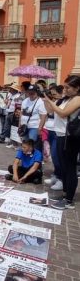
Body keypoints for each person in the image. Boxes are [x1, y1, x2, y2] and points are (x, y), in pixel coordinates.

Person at [43, 75, 80, 210]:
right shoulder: (66, 99)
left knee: (70, 169)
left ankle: (69, 200)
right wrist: (47, 101)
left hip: (69, 137)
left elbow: (63, 113)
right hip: (60, 135)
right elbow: (52, 112)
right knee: (63, 167)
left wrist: (51, 101)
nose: (65, 90)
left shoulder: (77, 99)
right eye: (65, 87)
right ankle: (64, 194)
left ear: (77, 88)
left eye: (68, 87)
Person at [43, 85, 64, 190]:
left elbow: (60, 113)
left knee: (57, 156)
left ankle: (61, 179)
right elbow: (50, 111)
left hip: (59, 132)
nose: (53, 96)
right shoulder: (57, 101)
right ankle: (56, 175)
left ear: (61, 93)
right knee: (54, 155)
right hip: (51, 130)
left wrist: (50, 101)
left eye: (55, 94)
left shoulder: (65, 102)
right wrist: (46, 100)